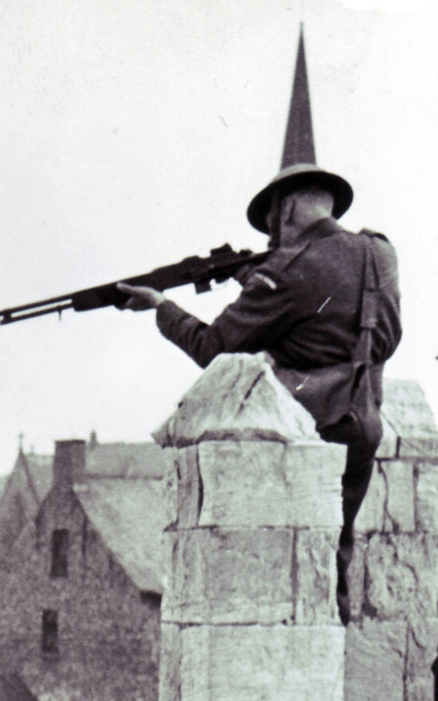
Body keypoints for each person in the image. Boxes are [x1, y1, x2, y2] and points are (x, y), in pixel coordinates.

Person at [118, 158, 401, 623]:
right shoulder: (379, 253)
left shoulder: (286, 271)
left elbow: (214, 347)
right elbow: (343, 313)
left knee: (285, 577)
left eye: (272, 225)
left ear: (285, 211)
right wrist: (251, 278)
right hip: (363, 420)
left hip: (309, 426)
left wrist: (162, 306)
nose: (272, 238)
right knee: (335, 556)